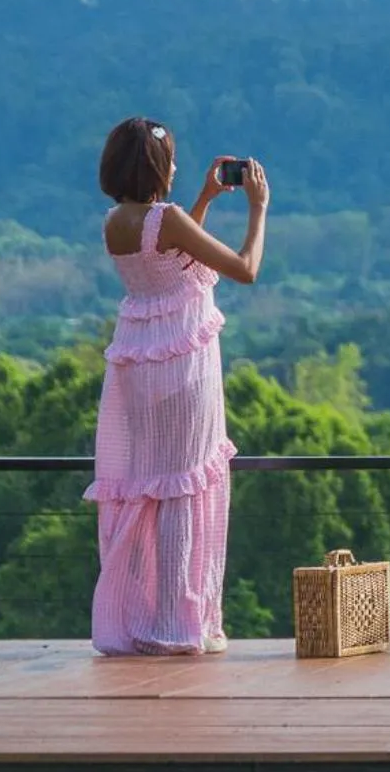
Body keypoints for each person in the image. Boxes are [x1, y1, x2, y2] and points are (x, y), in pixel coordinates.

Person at [88, 117, 267, 656]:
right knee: (182, 488)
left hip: (141, 366)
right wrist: (258, 208)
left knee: (153, 486)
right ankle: (176, 620)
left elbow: (167, 258)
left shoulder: (118, 221)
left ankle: (144, 615)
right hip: (183, 367)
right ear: (158, 167)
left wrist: (205, 200)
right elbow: (244, 268)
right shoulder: (164, 218)